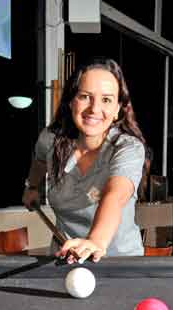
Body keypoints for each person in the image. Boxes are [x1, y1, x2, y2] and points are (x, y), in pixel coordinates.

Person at [22, 58, 149, 263]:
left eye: (106, 99)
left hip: (119, 263)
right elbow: (39, 162)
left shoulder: (128, 148)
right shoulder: (51, 139)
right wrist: (32, 186)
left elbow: (115, 196)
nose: (94, 108)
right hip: (66, 256)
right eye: (85, 97)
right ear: (71, 101)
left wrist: (95, 241)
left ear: (118, 109)